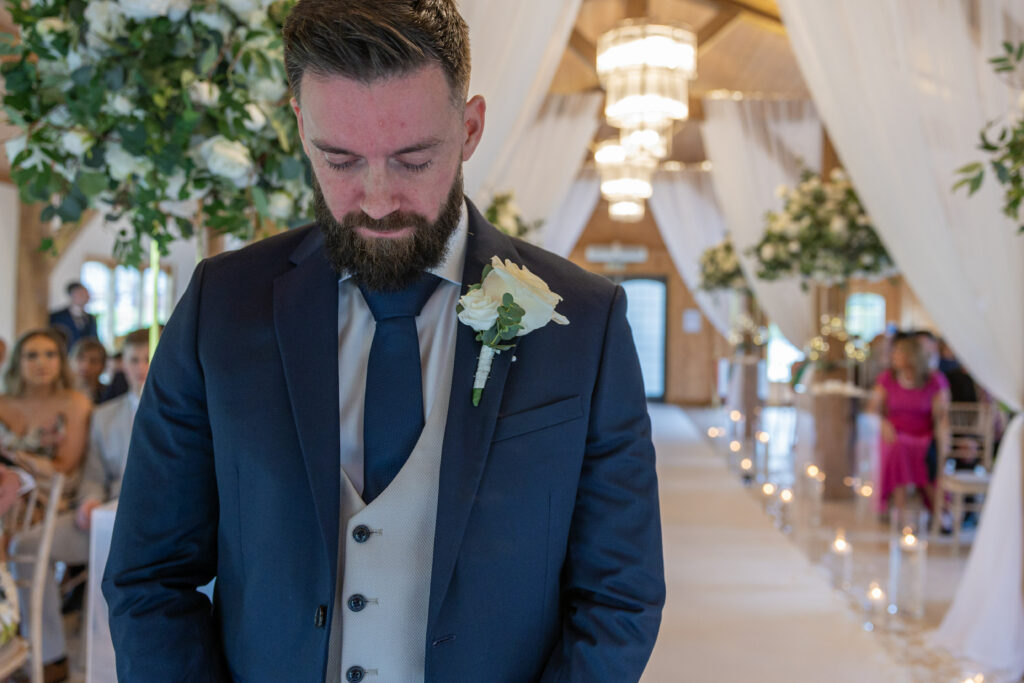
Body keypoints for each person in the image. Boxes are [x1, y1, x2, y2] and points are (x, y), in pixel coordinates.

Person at [103, 2, 665, 681]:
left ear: (470, 128)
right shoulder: (220, 307)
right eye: (339, 158)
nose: (375, 198)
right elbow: (149, 578)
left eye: (412, 159)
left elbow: (619, 595)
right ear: (301, 127)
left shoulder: (586, 322)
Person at [8, 329, 149, 679]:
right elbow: (91, 474)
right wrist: (89, 500)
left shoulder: (189, 408)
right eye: (134, 360)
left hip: (156, 519)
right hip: (102, 514)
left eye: (150, 359)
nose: (142, 368)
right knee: (24, 544)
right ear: (122, 365)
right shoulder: (105, 416)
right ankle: (51, 654)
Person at [0, 329, 91, 680]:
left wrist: (16, 461)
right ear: (18, 362)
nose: (41, 363)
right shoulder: (4, 402)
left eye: (50, 354)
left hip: (55, 500)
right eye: (32, 355)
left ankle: (44, 652)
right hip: (9, 496)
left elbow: (65, 468)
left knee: (20, 537)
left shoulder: (74, 404)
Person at [867, 334, 951, 521]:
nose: (893, 356)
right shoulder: (887, 378)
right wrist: (883, 423)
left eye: (898, 353)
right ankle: (900, 508)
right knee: (898, 447)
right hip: (895, 433)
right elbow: (872, 408)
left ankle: (936, 510)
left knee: (922, 454)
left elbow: (941, 416)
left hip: (924, 435)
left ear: (911, 356)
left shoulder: (934, 380)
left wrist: (943, 440)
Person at [49, 282, 98, 351]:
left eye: (86, 294)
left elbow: (94, 340)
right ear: (72, 295)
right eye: (81, 294)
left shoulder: (91, 318)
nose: (86, 297)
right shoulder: (56, 317)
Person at [69, 337, 108, 404]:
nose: (86, 366)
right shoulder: (60, 394)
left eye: (93, 361)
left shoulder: (109, 395)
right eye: (80, 358)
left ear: (103, 366)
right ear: (70, 361)